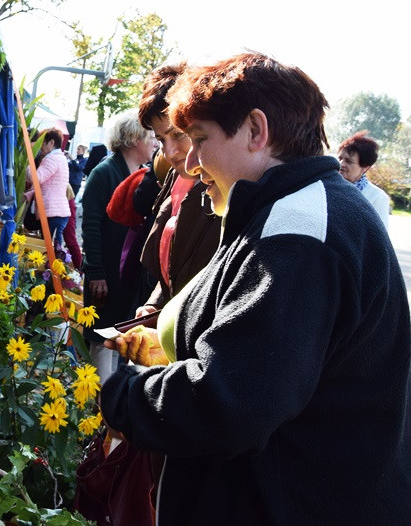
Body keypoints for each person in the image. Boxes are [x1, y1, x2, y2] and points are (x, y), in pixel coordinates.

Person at [100, 52, 411, 524]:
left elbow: (231, 402)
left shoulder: (301, 232)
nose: (193, 160)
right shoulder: (296, 209)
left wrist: (121, 393)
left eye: (201, 139)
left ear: (255, 130)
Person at [135, 64, 221, 316]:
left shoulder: (225, 185)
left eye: (178, 135)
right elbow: (172, 268)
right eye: (161, 140)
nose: (169, 152)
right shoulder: (177, 178)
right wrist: (154, 306)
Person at [80, 112, 155, 380]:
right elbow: (90, 227)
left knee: (123, 336)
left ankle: (114, 402)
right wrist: (97, 272)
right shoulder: (105, 172)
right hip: (107, 274)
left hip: (128, 275)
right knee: (103, 338)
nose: (155, 143)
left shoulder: (144, 175)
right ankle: (98, 404)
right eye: (150, 136)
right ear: (134, 138)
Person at [26, 128, 70, 244]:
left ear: (51, 143)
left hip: (53, 212)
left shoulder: (52, 159)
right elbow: (47, 184)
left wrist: (27, 165)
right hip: (57, 212)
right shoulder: (59, 158)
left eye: (42, 143)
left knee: (51, 250)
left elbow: (38, 179)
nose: (40, 147)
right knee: (53, 247)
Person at [337, 131, 390, 227]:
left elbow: (380, 238)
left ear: (365, 167)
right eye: (340, 158)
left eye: (349, 161)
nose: (341, 164)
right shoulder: (328, 187)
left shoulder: (377, 197)